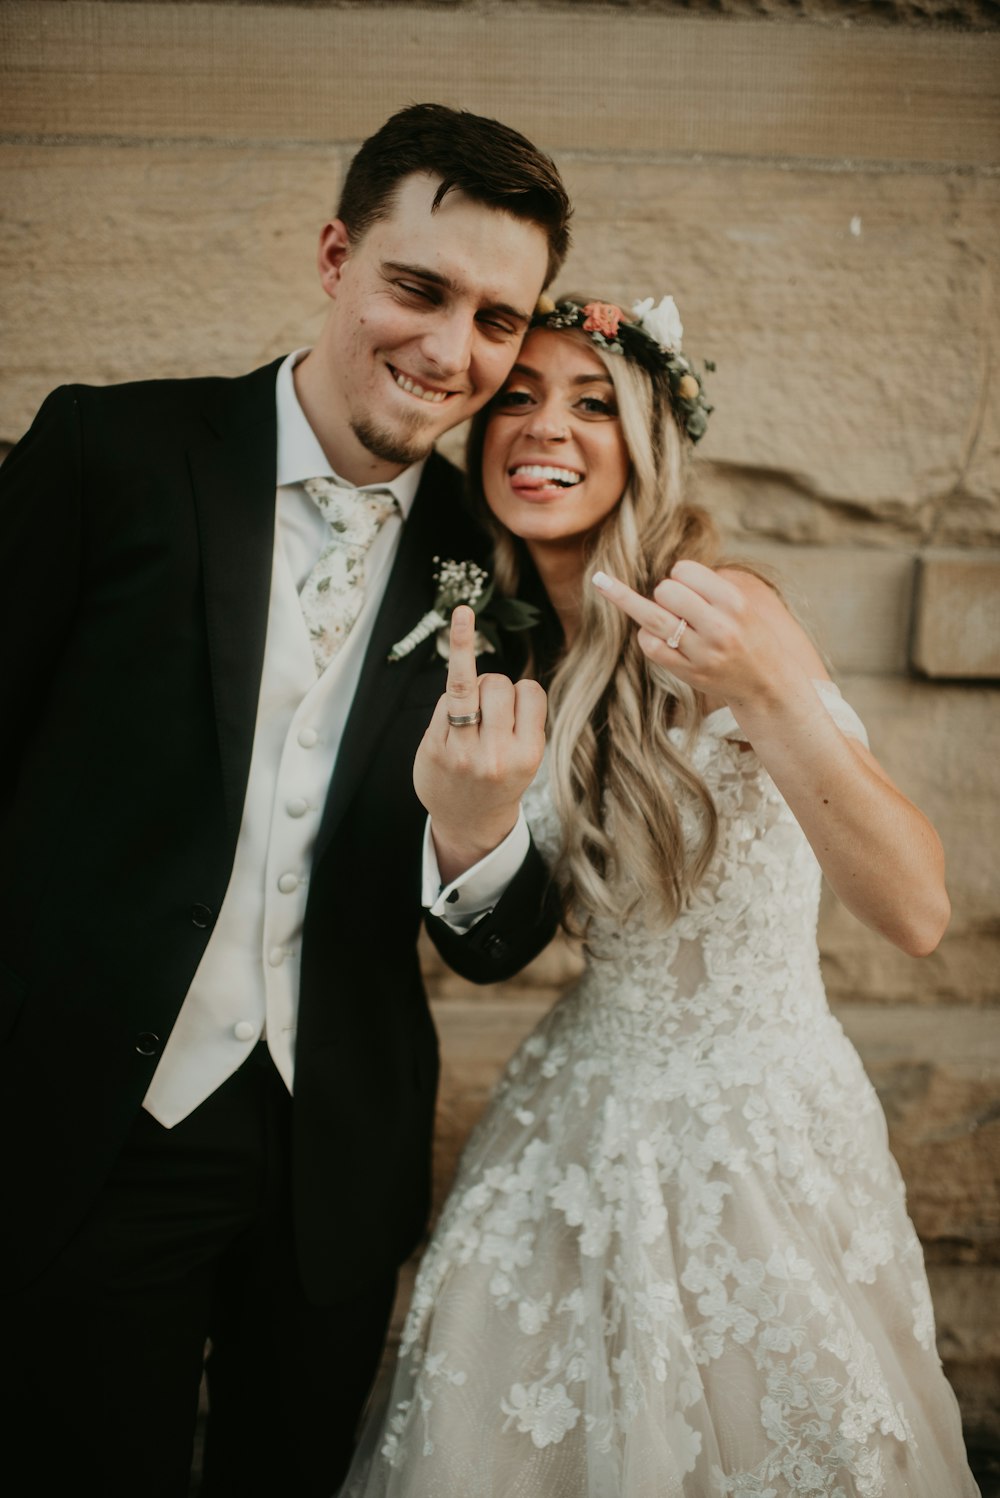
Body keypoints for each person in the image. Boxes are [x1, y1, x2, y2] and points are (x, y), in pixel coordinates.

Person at [0, 104, 573, 1496]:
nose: (451, 352)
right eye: (419, 287)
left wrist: (476, 826)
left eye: (498, 321)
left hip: (334, 1157)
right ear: (336, 255)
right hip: (85, 1130)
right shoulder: (107, 454)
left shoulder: (500, 573)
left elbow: (497, 940)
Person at [341, 294, 980, 1495]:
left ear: (648, 436)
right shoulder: (502, 644)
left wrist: (772, 691)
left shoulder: (725, 612)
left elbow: (916, 912)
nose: (547, 429)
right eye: (516, 398)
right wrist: (467, 819)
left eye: (594, 402)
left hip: (755, 1133)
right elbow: (507, 930)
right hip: (573, 1127)